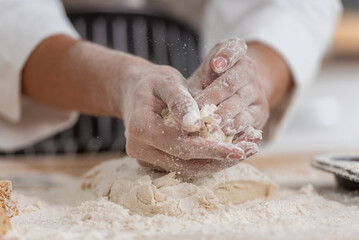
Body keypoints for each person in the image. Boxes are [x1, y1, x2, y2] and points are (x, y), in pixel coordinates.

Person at [0, 0, 342, 176]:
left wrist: (256, 76)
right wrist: (121, 80)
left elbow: (298, 5)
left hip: (183, 66)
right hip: (30, 138)